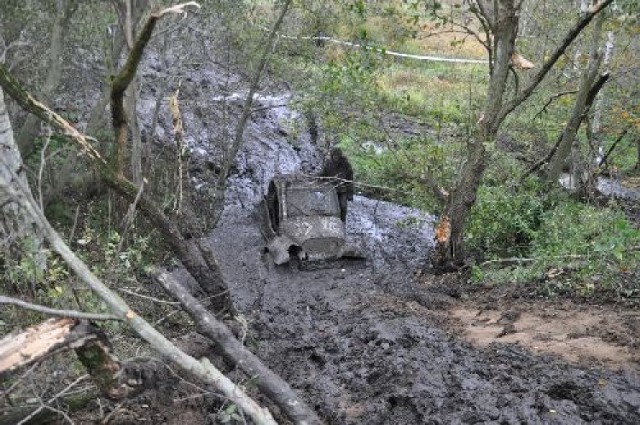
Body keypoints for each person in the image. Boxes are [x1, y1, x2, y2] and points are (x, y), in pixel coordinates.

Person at [320, 147, 354, 222]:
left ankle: (342, 222)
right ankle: (333, 223)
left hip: (343, 190)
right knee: (331, 208)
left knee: (343, 207)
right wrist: (319, 179)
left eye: (337, 155)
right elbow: (323, 174)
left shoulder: (346, 164)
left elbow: (350, 179)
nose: (336, 157)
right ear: (332, 156)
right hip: (331, 190)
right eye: (334, 155)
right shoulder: (328, 163)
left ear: (340, 156)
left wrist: (350, 194)